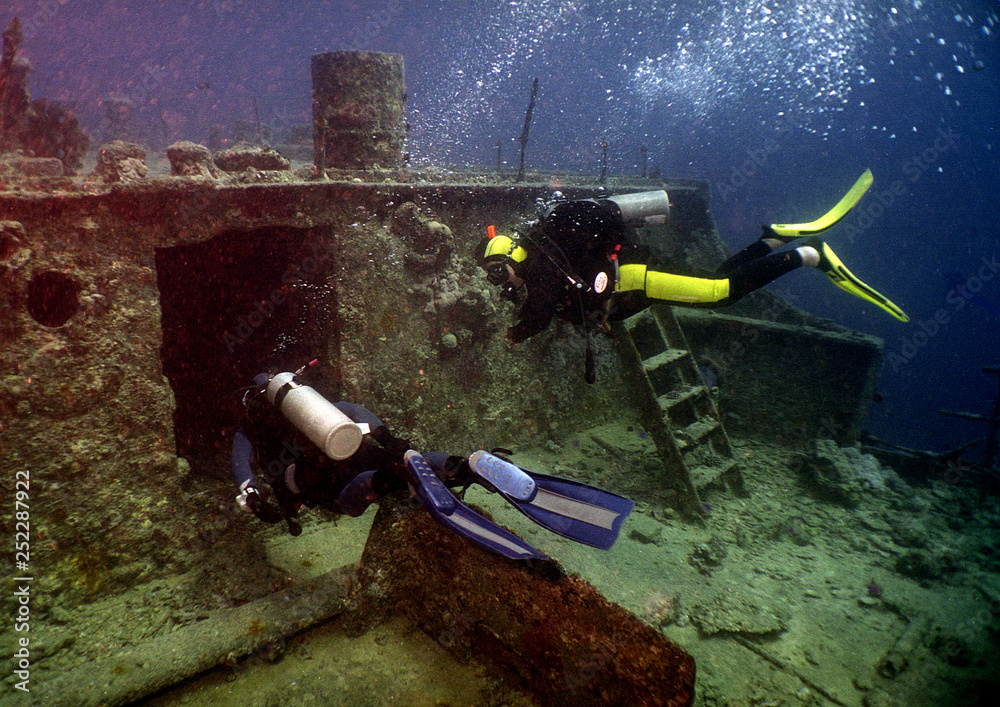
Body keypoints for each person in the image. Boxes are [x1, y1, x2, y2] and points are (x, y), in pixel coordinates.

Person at [480, 169, 908, 366]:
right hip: (639, 274)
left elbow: (537, 315)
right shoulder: (545, 256)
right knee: (718, 279)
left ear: (511, 257)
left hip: (642, 278)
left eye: (500, 272)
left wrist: (510, 335)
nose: (504, 282)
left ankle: (809, 255)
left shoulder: (542, 267)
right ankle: (774, 238)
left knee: (721, 292)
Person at [231, 361, 633, 558]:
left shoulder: (252, 426)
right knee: (400, 458)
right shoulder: (310, 406)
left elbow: (241, 461)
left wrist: (248, 492)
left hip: (319, 473)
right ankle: (464, 465)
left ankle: (385, 481)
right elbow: (351, 407)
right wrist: (383, 433)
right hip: (353, 439)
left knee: (347, 500)